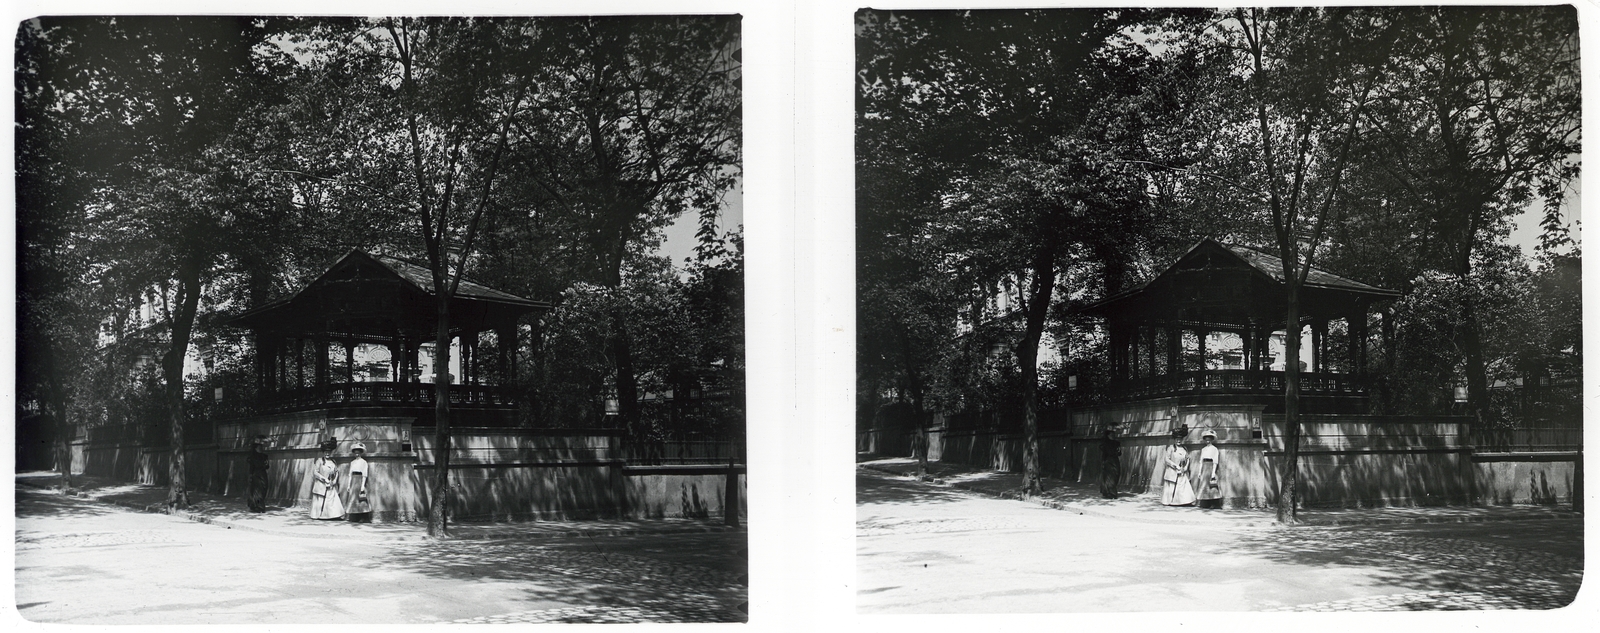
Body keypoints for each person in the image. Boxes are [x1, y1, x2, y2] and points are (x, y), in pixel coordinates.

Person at [309, 439, 346, 520]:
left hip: (331, 484)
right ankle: (320, 515)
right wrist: (324, 479)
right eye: (326, 451)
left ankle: (333, 516)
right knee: (321, 500)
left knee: (332, 500)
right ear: (323, 452)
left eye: (329, 451)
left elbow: (337, 472)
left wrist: (335, 480)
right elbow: (315, 472)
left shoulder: (333, 461)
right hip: (321, 484)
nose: (327, 453)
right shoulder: (320, 461)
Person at [1161, 425, 1196, 506]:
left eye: (1180, 439)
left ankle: (1183, 502)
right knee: (1172, 486)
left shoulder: (1184, 449)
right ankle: (1170, 501)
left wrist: (1186, 466)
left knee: (1183, 486)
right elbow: (1167, 459)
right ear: (1174, 439)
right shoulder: (1171, 448)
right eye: (1177, 439)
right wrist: (1175, 466)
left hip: (1182, 471)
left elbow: (1188, 459)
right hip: (1173, 471)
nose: (1178, 440)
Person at [345, 441, 372, 523]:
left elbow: (364, 474)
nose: (357, 454)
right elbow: (350, 474)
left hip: (360, 480)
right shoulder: (352, 463)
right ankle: (355, 517)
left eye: (359, 453)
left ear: (361, 453)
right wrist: (349, 485)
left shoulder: (364, 462)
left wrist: (362, 485)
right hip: (354, 480)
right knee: (353, 499)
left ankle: (364, 517)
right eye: (356, 453)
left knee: (361, 499)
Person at [1195, 429, 1223, 509]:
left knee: (1212, 486)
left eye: (1209, 439)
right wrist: (1200, 472)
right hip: (1204, 467)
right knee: (1204, 485)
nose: (1208, 441)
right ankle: (1205, 503)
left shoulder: (1214, 449)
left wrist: (1213, 472)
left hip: (1211, 466)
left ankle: (1214, 503)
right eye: (1206, 439)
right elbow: (1201, 461)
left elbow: (1215, 461)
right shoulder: (1203, 449)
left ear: (1212, 439)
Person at [246, 435, 269, 512]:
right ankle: (258, 506)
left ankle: (258, 505)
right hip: (256, 475)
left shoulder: (264, 456)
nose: (261, 449)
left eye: (261, 447)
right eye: (259, 447)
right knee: (257, 491)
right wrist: (250, 475)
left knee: (264, 488)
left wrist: (266, 464)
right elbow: (252, 467)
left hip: (263, 474)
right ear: (255, 448)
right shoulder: (252, 457)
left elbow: (267, 466)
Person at [1098, 427, 1122, 499]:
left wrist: (1118, 451)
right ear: (1108, 435)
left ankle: (1109, 492)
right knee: (1109, 477)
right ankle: (1111, 493)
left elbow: (1119, 453)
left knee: (1116, 475)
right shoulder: (1105, 443)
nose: (1113, 436)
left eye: (1113, 434)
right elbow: (1106, 452)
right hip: (1108, 461)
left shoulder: (1117, 443)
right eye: (1111, 434)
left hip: (1115, 461)